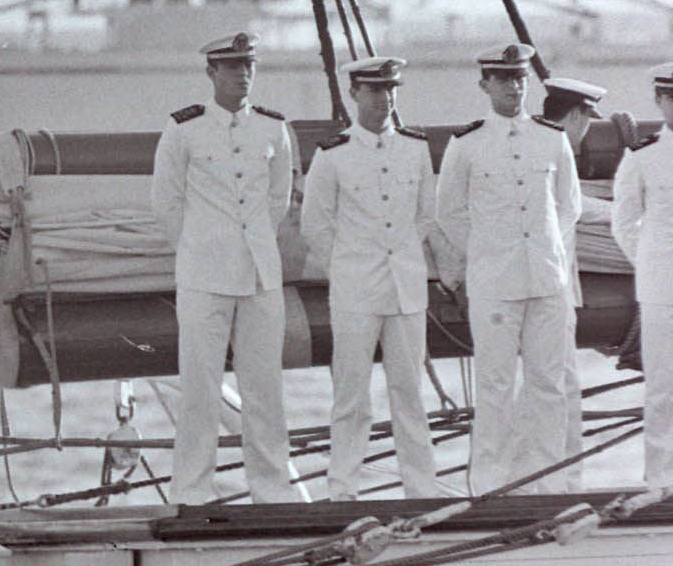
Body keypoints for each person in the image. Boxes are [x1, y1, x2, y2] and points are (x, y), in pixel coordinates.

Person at [152, 32, 300, 505]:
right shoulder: (183, 130)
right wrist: (200, 248)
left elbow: (278, 200)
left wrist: (245, 244)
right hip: (203, 275)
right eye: (233, 66)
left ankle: (272, 489)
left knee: (265, 389)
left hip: (259, 274)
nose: (243, 74)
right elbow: (167, 203)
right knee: (200, 388)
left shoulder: (274, 130)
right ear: (212, 72)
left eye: (249, 65)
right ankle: (192, 491)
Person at [436, 43, 581, 495]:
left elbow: (567, 206)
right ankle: (490, 486)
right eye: (504, 79)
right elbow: (450, 212)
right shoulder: (467, 145)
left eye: (520, 79)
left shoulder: (550, 139)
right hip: (494, 283)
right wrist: (486, 252)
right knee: (495, 386)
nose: (514, 87)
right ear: (486, 85)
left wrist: (542, 249)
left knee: (548, 385)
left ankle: (549, 485)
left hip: (545, 279)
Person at [301, 57, 438, 500]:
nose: (384, 100)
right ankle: (343, 490)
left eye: (390, 90)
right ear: (355, 94)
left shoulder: (415, 149)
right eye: (374, 91)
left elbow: (425, 216)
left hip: (406, 289)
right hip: (356, 291)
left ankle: (422, 488)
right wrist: (349, 266)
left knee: (409, 393)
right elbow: (315, 226)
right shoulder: (333, 154)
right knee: (351, 395)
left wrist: (398, 257)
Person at [509, 78, 625, 490]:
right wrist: (625, 210)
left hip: (556, 289)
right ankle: (533, 486)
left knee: (559, 386)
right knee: (549, 387)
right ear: (577, 116)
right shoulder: (542, 147)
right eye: (586, 121)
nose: (585, 132)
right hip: (540, 288)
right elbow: (568, 206)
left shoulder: (537, 142)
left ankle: (560, 483)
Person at [610, 63, 673, 494]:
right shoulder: (643, 155)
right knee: (662, 387)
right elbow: (623, 222)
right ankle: (660, 481)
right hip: (662, 289)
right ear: (659, 100)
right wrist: (651, 264)